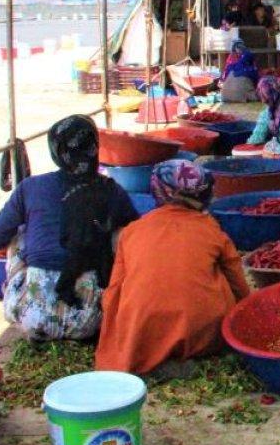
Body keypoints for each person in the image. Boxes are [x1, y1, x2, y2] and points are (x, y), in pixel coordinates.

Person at [0, 115, 138, 341]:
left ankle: (36, 306)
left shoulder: (31, 187)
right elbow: (139, 240)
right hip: (91, 320)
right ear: (95, 147)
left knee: (20, 233)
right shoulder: (113, 191)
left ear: (56, 152)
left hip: (32, 316)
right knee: (120, 233)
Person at [95, 161, 250, 376]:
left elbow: (114, 291)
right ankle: (191, 354)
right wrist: (245, 318)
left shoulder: (131, 232)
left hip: (142, 334)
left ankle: (155, 357)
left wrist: (116, 336)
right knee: (219, 280)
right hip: (201, 334)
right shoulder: (210, 229)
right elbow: (238, 283)